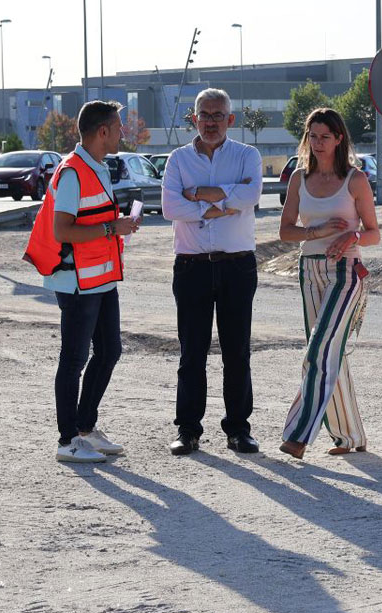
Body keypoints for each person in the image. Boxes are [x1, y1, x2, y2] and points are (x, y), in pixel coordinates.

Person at [23, 100, 140, 463]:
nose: (123, 132)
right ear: (102, 131)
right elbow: (63, 229)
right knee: (73, 359)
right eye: (119, 127)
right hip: (76, 282)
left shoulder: (97, 168)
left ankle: (85, 428)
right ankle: (67, 440)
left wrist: (117, 224)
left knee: (110, 352)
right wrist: (111, 227)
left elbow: (90, 219)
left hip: (101, 279)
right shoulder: (72, 172)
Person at [161, 88, 264, 456]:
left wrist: (201, 193)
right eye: (204, 114)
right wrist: (220, 205)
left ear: (230, 120)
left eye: (218, 115)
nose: (211, 121)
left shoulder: (247, 155)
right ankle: (188, 429)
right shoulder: (177, 160)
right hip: (191, 267)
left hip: (237, 265)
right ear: (194, 118)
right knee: (192, 352)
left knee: (237, 351)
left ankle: (238, 428)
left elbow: (251, 196)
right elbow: (171, 207)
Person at [277, 109, 381, 459]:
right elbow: (285, 231)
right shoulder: (297, 179)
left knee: (319, 349)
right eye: (313, 136)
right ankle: (351, 436)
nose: (318, 143)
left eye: (325, 136)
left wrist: (351, 234)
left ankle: (298, 434)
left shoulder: (356, 180)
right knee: (330, 352)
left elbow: (374, 234)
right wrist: (316, 232)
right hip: (309, 270)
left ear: (339, 139)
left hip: (346, 271)